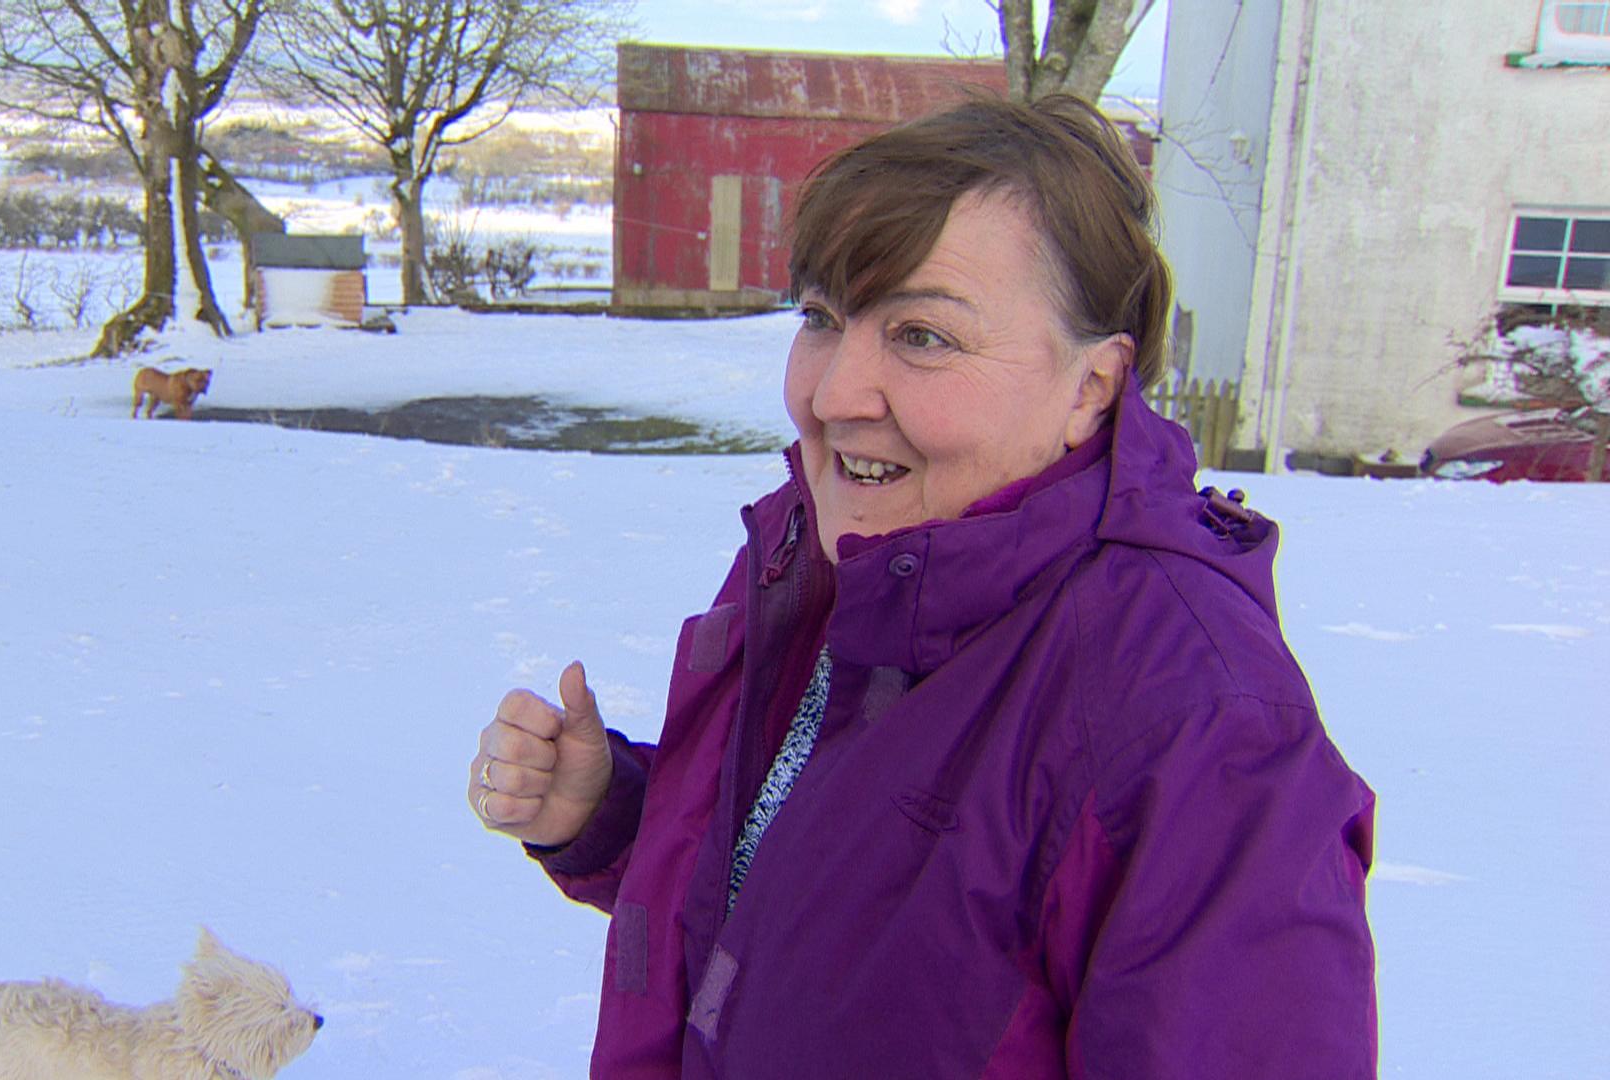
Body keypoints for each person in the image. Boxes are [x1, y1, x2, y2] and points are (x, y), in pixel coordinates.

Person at [468, 91, 1376, 1079]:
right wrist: (609, 816)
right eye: (822, 317)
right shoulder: (837, 559)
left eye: (924, 335)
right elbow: (822, 893)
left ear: (1092, 389)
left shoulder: (1195, 720)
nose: (831, 395)